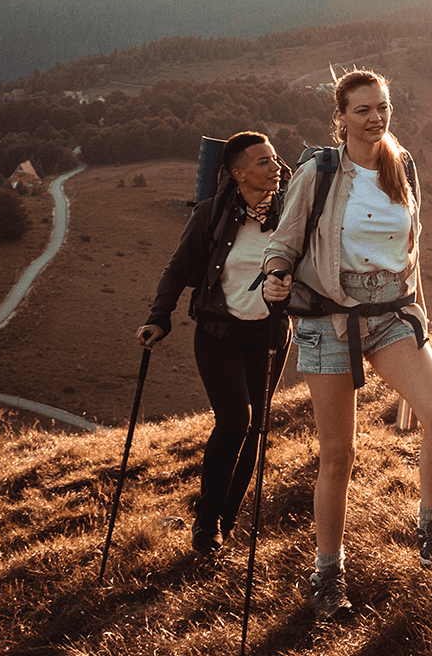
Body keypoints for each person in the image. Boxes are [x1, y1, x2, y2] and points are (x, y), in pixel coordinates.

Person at [260, 68, 432, 620]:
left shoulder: (405, 167)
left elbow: (411, 248)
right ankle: (326, 573)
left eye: (382, 107)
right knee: (338, 455)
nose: (375, 118)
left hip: (389, 314)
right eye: (362, 110)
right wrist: (277, 275)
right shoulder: (320, 172)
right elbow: (282, 243)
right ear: (341, 117)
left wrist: (418, 312)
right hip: (330, 317)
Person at [138, 130, 288, 555]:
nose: (275, 166)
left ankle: (225, 520)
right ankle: (206, 519)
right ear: (237, 173)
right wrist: (158, 318)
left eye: (275, 159)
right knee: (235, 421)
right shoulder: (211, 214)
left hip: (270, 336)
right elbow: (178, 268)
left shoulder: (293, 214)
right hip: (219, 333)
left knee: (256, 427)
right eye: (263, 161)